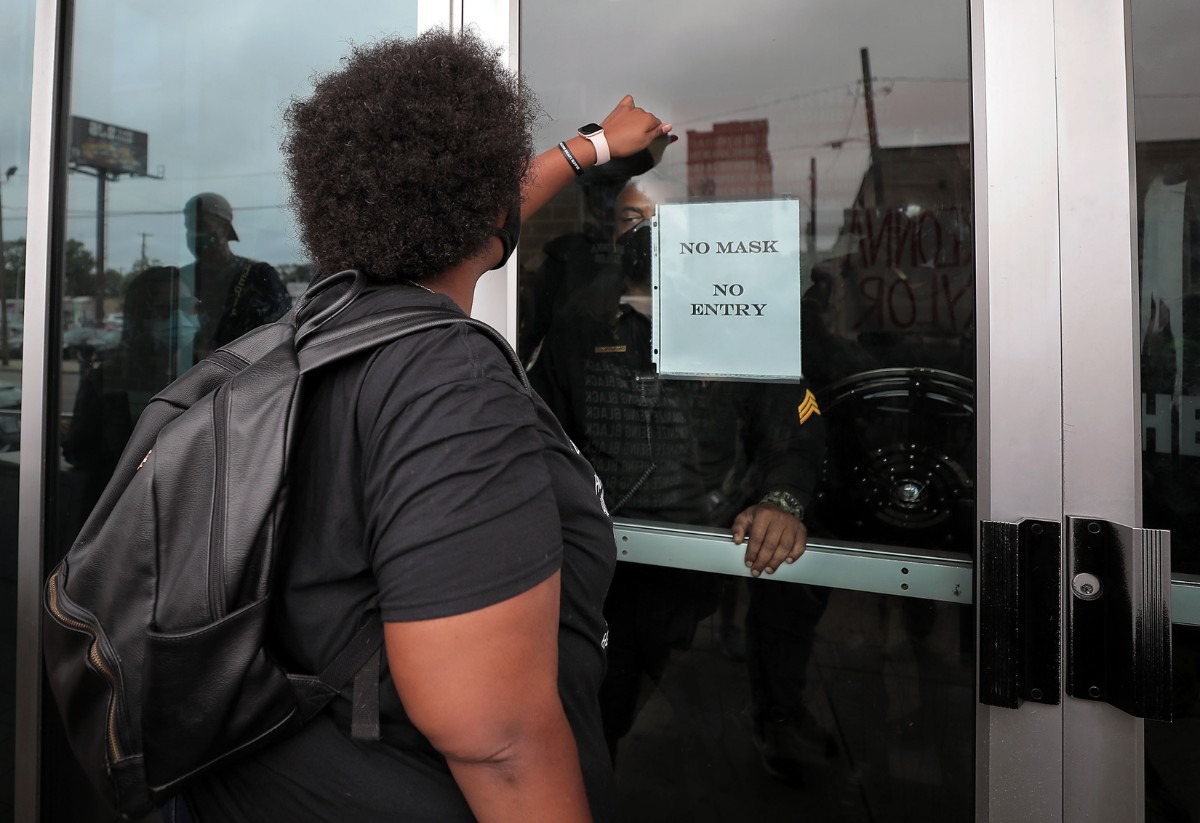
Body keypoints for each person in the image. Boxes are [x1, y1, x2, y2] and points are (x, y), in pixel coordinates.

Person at [177, 29, 672, 823]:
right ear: (486, 205)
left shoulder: (319, 329)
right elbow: (501, 744)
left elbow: (474, 212)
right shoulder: (452, 385)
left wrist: (592, 148)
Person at [527, 172, 827, 764]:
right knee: (600, 719)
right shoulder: (580, 324)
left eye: (661, 222)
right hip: (605, 566)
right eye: (631, 221)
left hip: (701, 553)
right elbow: (540, 429)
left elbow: (793, 423)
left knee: (696, 721)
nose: (646, 235)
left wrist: (783, 500)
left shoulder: (734, 317)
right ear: (612, 234)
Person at [63, 265, 200, 513]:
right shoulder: (109, 378)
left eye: (188, 304)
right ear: (140, 317)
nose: (180, 317)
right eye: (165, 309)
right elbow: (79, 450)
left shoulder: (211, 373)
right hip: (121, 516)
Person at [181, 191, 292, 360]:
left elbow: (280, 341)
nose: (195, 235)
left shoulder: (259, 276)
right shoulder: (183, 279)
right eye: (190, 228)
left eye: (201, 227)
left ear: (225, 229)